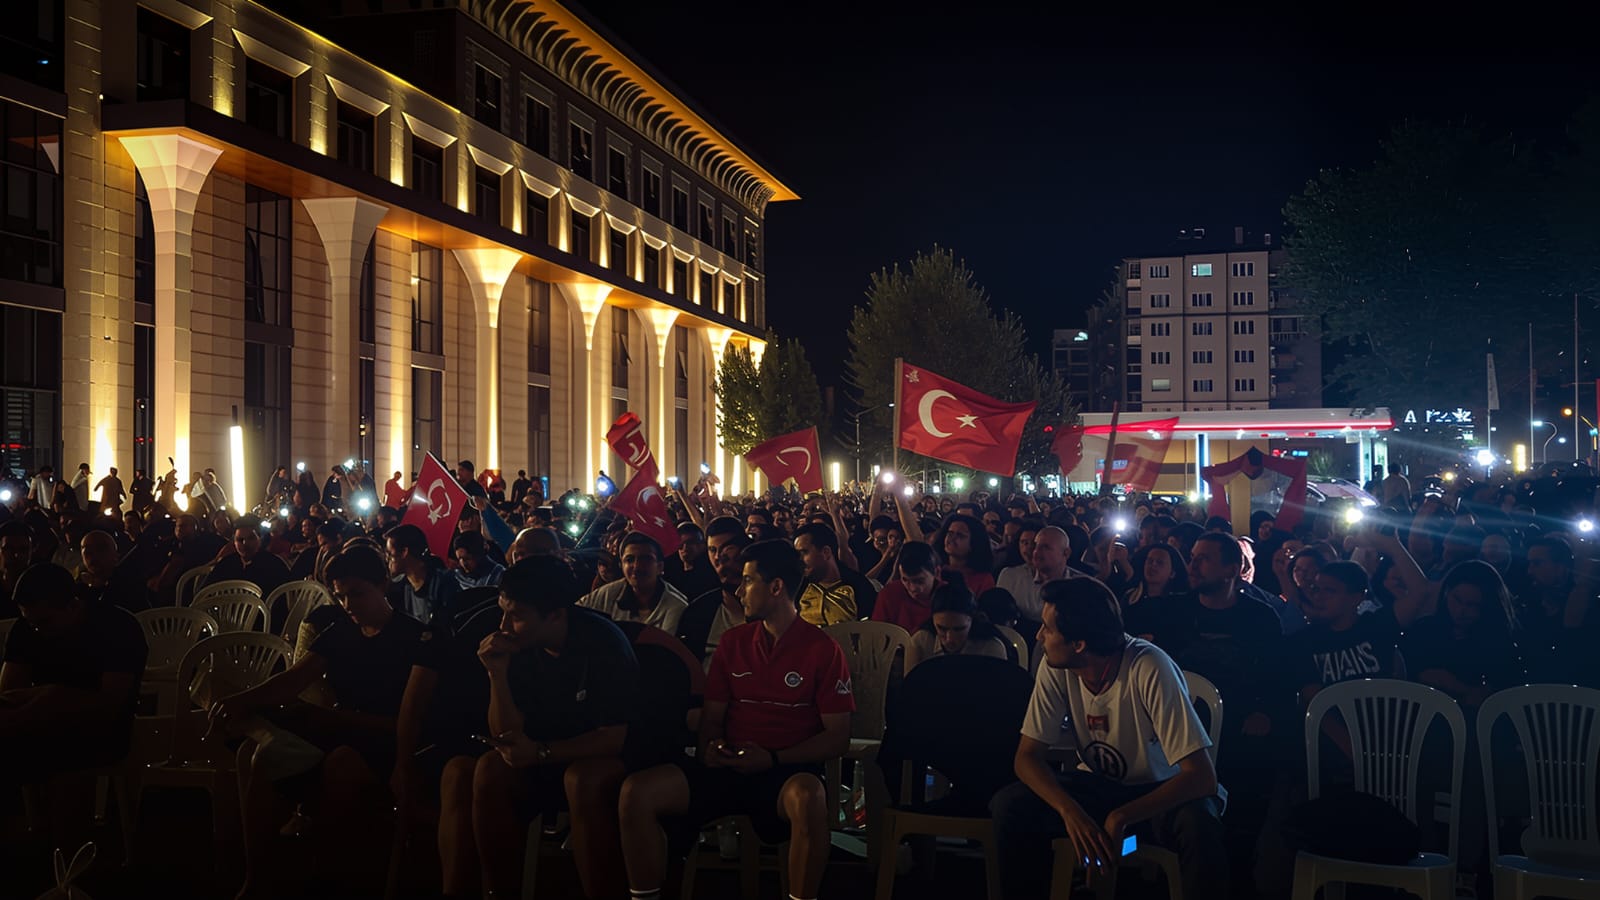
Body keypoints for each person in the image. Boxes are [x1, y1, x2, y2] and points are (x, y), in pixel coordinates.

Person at [618, 540, 854, 900]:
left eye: (748, 581)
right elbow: (713, 715)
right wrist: (709, 748)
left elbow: (837, 737)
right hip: (729, 765)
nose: (739, 590)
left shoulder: (822, 649)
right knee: (638, 791)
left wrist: (774, 758)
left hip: (784, 770)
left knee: (808, 796)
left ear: (775, 587)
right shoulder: (733, 642)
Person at [210, 546, 440, 898]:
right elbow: (294, 680)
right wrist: (242, 700)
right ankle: (257, 868)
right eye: (341, 595)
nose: (349, 605)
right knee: (252, 753)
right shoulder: (342, 631)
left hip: (388, 741)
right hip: (341, 731)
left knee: (339, 763)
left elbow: (411, 723)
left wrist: (331, 718)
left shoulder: (414, 638)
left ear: (383, 585)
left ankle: (326, 870)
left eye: (358, 594)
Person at [991, 577, 1227, 900]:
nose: (1039, 635)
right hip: (1100, 787)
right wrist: (1069, 811)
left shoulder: (1148, 667)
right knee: (1010, 806)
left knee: (1198, 822)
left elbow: (1202, 777)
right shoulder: (1055, 665)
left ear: (1079, 644)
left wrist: (1121, 817)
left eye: (1047, 628)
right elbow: (1026, 756)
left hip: (1158, 794)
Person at [456, 556, 639, 899]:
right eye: (503, 612)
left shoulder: (603, 644)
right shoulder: (519, 647)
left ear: (555, 613)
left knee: (581, 780)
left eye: (518, 616)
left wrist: (541, 752)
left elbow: (614, 737)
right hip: (545, 756)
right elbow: (506, 736)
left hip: (607, 758)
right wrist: (496, 674)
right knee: (489, 768)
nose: (504, 625)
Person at [0, 563, 147, 846]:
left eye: (45, 622)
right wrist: (43, 701)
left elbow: (110, 703)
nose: (38, 630)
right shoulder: (27, 628)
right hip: (37, 721)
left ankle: (69, 858)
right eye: (31, 622)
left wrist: (52, 697)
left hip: (103, 728)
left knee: (62, 758)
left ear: (72, 607)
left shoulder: (118, 627)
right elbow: (10, 690)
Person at [579, 532, 689, 633]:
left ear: (660, 567)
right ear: (621, 565)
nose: (636, 567)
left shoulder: (676, 607)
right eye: (629, 560)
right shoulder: (607, 595)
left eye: (645, 559)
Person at [676, 517, 750, 666]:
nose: (718, 557)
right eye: (712, 550)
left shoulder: (769, 606)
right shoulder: (699, 612)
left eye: (726, 549)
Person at [905, 573, 1008, 671]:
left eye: (959, 629)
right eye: (942, 628)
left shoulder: (991, 648)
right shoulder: (921, 642)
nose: (950, 638)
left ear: (972, 621)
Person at [793, 522, 878, 625]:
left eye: (804, 553)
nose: (799, 560)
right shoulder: (798, 589)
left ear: (826, 552)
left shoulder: (860, 588)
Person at [387, 522, 462, 625]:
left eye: (390, 554)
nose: (388, 560)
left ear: (404, 552)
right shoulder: (401, 587)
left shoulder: (445, 583)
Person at [203, 520, 292, 599]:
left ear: (259, 539)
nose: (245, 543)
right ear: (234, 543)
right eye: (240, 540)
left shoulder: (273, 564)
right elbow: (205, 591)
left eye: (251, 538)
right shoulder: (226, 563)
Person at [871, 540, 944, 634]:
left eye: (919, 581)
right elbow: (876, 635)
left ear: (937, 572)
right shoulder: (890, 593)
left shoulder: (948, 596)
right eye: (905, 580)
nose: (912, 588)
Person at [77, 530, 153, 613]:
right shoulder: (80, 589)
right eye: (88, 552)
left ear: (116, 555)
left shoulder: (130, 584)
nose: (94, 555)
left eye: (101, 549)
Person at [931, 513, 997, 595]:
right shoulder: (932, 571)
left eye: (960, 535)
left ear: (974, 543)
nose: (952, 538)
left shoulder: (983, 579)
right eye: (950, 533)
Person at [661, 521, 720, 601]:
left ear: (702, 545)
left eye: (690, 543)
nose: (685, 548)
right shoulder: (671, 573)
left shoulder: (711, 574)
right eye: (681, 544)